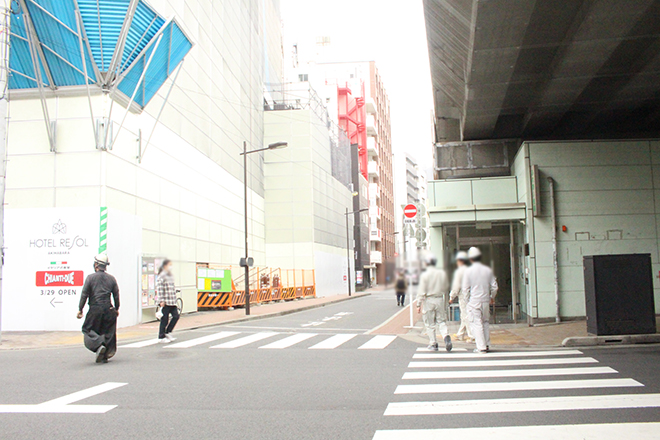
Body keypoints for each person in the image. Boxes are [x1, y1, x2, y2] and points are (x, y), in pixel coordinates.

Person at [77, 254, 120, 364]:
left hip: (95, 308)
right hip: (109, 308)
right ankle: (105, 354)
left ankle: (98, 345)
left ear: (96, 265)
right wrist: (116, 308)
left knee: (87, 329)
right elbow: (116, 295)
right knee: (108, 332)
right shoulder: (111, 278)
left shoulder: (90, 278)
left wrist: (80, 309)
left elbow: (84, 294)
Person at [462, 247, 498, 354]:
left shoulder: (468, 271)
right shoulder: (487, 270)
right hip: (486, 300)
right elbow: (495, 287)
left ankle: (481, 347)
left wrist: (467, 300)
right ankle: (486, 344)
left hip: (474, 301)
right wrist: (492, 297)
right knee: (485, 322)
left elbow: (465, 289)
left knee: (476, 323)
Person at [416, 256, 452, 352]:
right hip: (440, 299)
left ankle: (433, 343)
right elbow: (446, 287)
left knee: (430, 323)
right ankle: (446, 336)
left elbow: (421, 291)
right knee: (442, 321)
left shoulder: (425, 275)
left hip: (429, 300)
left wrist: (418, 304)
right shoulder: (441, 273)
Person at [450, 251, 473, 342]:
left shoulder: (459, 271)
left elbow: (456, 286)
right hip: (471, 294)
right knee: (465, 315)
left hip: (463, 295)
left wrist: (451, 297)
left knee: (465, 315)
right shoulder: (469, 269)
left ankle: (472, 336)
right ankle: (460, 333)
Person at [156, 259, 179, 343]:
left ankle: (168, 332)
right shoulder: (161, 276)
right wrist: (161, 300)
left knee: (176, 316)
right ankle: (161, 336)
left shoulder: (169, 275)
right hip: (166, 301)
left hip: (172, 301)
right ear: (165, 266)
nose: (171, 267)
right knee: (164, 319)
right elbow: (160, 289)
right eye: (170, 265)